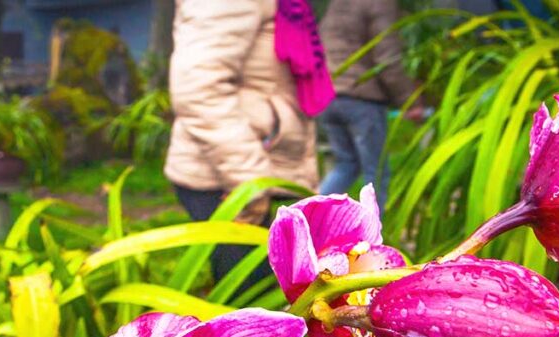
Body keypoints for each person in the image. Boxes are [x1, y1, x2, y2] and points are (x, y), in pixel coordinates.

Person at [164, 0, 332, 286]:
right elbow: (199, 89)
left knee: (269, 301)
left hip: (257, 168)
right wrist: (250, 186)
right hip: (229, 178)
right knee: (254, 313)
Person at [319, 0, 418, 211]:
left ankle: (309, 221)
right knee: (376, 174)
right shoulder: (379, 3)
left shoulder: (337, 5)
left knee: (346, 165)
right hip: (362, 99)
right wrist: (410, 100)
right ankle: (372, 237)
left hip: (330, 96)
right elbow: (387, 59)